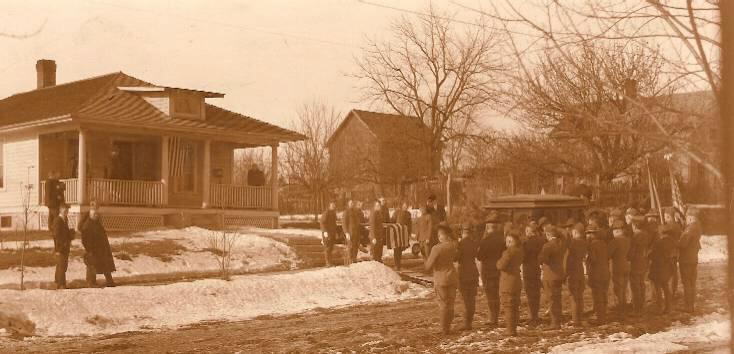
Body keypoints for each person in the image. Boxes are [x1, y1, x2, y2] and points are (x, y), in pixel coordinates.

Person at [425, 223, 459, 335]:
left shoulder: (436, 248)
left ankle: (444, 329)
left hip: (441, 279)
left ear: (443, 235)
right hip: (452, 277)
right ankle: (448, 326)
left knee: (443, 304)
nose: (438, 237)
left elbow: (428, 266)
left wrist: (425, 261)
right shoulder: (453, 245)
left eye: (440, 235)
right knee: (451, 303)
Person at [476, 213, 506, 327]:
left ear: (488, 228)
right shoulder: (502, 240)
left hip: (488, 271)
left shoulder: (485, 241)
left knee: (491, 295)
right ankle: (496, 316)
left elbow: (479, 256)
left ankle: (493, 318)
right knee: (497, 294)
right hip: (499, 270)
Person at [80, 203, 116, 287]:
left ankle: (109, 281)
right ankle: (91, 282)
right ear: (91, 215)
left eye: (97, 214)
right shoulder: (87, 225)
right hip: (93, 249)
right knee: (92, 265)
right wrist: (89, 249)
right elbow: (84, 240)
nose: (96, 216)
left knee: (105, 264)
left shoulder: (96, 223)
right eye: (95, 214)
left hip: (101, 248)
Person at [497, 228, 524, 336]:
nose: (507, 244)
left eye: (510, 241)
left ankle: (510, 330)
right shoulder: (520, 250)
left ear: (515, 242)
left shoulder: (508, 252)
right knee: (515, 305)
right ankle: (514, 328)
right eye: (507, 241)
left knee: (508, 306)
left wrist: (498, 262)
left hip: (507, 281)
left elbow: (500, 265)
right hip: (516, 280)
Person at [538, 225, 565, 330]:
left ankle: (555, 323)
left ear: (548, 234)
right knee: (557, 298)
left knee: (552, 299)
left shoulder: (547, 246)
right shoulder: (561, 244)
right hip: (559, 274)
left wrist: (543, 262)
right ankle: (557, 320)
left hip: (550, 275)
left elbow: (542, 258)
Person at [456, 223, 480, 331]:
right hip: (473, 272)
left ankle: (466, 323)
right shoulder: (474, 243)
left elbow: (456, 258)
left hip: (464, 273)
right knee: (472, 299)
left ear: (462, 232)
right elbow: (478, 256)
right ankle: (469, 321)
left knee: (465, 299)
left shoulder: (460, 244)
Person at [678, 208, 702, 313]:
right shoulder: (697, 226)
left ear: (691, 218)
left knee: (687, 283)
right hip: (693, 258)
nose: (686, 219)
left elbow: (683, 244)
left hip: (686, 259)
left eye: (687, 218)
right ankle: (691, 305)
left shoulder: (690, 229)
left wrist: (676, 242)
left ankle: (688, 306)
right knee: (692, 283)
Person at [521, 223, 545, 326]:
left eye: (527, 231)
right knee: (536, 293)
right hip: (537, 269)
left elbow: (523, 257)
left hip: (528, 269)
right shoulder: (541, 241)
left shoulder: (527, 243)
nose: (526, 233)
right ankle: (536, 315)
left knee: (530, 294)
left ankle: (533, 317)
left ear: (531, 232)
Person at [586, 225, 610, 325]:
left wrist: (587, 260)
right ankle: (603, 316)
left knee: (598, 296)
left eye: (588, 233)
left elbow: (593, 259)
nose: (587, 235)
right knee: (603, 295)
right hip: (605, 272)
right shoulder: (604, 244)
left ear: (592, 234)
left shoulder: (592, 245)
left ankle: (600, 319)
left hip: (596, 273)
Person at [650, 224, 676, 314]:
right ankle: (668, 307)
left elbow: (653, 255)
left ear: (661, 233)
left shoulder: (659, 243)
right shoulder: (673, 242)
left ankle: (659, 308)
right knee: (666, 287)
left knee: (657, 289)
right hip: (668, 268)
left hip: (658, 268)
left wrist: (648, 255)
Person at [608, 220, 631, 319]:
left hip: (617, 267)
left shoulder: (615, 241)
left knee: (618, 289)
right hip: (627, 266)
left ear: (617, 231)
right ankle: (624, 308)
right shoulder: (628, 240)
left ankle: (621, 310)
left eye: (614, 230)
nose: (613, 233)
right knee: (625, 288)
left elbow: (608, 254)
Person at [566, 223, 588, 327]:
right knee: (580, 296)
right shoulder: (584, 242)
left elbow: (568, 259)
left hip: (573, 271)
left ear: (574, 232)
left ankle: (575, 320)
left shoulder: (572, 244)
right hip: (580, 270)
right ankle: (580, 317)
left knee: (574, 296)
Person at [629, 215, 652, 314]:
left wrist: (628, 257)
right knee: (641, 283)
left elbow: (632, 251)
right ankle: (642, 305)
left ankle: (637, 308)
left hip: (636, 262)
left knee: (635, 285)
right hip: (644, 261)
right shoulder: (646, 234)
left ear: (635, 225)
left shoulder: (636, 236)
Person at [662, 207, 683, 299]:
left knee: (670, 273)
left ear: (669, 217)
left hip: (670, 253)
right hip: (673, 253)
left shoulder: (672, 226)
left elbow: (663, 231)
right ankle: (672, 292)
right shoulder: (676, 225)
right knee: (673, 273)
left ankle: (670, 293)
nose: (665, 219)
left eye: (666, 217)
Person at [53, 204, 74, 290]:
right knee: (62, 265)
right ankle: (61, 284)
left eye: (67, 210)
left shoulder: (65, 219)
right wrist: (61, 245)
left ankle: (57, 281)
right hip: (61, 246)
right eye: (65, 209)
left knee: (62, 265)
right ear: (60, 210)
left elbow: (65, 233)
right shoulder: (58, 220)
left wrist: (71, 234)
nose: (66, 211)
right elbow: (56, 235)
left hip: (65, 246)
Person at [391, 202, 412, 271]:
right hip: (397, 233)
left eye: (406, 206)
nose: (405, 207)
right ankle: (397, 264)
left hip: (404, 234)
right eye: (404, 205)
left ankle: (398, 264)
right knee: (396, 248)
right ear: (401, 205)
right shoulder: (396, 212)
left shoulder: (408, 214)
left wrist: (409, 233)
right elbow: (392, 221)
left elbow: (410, 224)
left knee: (400, 249)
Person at [319, 202, 339, 266]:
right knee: (327, 248)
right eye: (332, 205)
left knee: (331, 248)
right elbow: (322, 223)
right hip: (327, 233)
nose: (333, 206)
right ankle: (327, 262)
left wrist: (336, 233)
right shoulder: (326, 213)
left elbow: (334, 224)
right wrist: (324, 231)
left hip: (332, 233)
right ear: (329, 206)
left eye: (334, 205)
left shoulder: (333, 213)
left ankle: (330, 262)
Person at [343, 200, 362, 264]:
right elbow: (344, 223)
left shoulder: (355, 211)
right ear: (348, 204)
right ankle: (350, 260)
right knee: (350, 246)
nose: (352, 204)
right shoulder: (346, 212)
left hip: (356, 232)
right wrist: (346, 232)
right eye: (351, 203)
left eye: (353, 203)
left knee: (355, 246)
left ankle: (354, 259)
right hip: (350, 232)